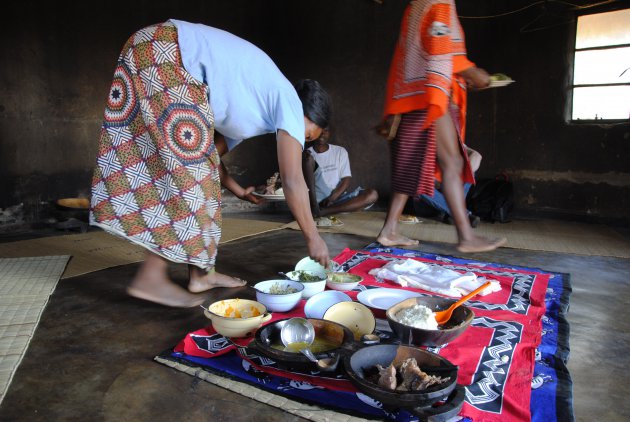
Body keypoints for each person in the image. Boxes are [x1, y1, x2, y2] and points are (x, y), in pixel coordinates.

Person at [89, 20, 331, 307]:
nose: (300, 141)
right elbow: (293, 181)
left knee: (197, 172)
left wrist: (239, 191)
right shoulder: (290, 101)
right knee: (188, 177)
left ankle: (201, 274)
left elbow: (209, 156)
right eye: (306, 134)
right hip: (166, 50)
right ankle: (151, 277)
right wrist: (313, 238)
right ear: (304, 112)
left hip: (156, 51)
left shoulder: (253, 110)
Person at [376, 0, 506, 253]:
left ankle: (389, 229)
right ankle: (466, 236)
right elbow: (439, 44)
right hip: (430, 95)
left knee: (414, 163)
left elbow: (428, 44)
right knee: (453, 162)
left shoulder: (417, 5)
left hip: (413, 94)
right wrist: (472, 73)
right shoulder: (439, 4)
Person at [303, 128, 378, 218]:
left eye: (326, 130)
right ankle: (318, 209)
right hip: (317, 201)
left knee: (372, 194)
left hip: (338, 198)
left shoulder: (339, 151)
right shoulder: (307, 154)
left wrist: (332, 197)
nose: (322, 134)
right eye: (319, 130)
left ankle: (324, 212)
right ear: (313, 132)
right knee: (307, 159)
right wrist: (314, 203)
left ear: (329, 133)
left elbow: (346, 179)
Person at [418, 146, 482, 227]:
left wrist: (458, 178)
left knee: (469, 168)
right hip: (428, 201)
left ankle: (453, 214)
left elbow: (477, 156)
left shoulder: (444, 139)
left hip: (450, 194)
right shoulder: (416, 144)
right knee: (415, 182)